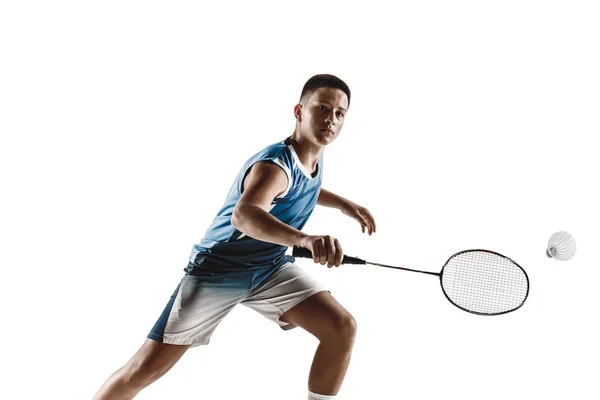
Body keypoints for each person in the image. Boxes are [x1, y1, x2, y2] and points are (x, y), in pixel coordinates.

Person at [93, 74, 376, 400]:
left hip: (268, 266)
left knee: (340, 327)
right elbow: (245, 215)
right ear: (299, 111)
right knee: (145, 369)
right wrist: (305, 239)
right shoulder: (274, 165)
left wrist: (342, 203)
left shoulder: (312, 156)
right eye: (322, 108)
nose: (331, 119)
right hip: (220, 271)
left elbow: (298, 188)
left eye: (340, 113)